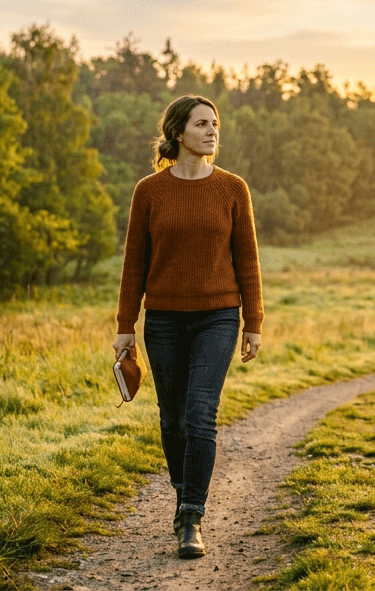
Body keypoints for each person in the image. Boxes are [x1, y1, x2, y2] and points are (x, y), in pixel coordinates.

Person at [112, 94, 263, 559]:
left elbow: (248, 259)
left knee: (200, 413)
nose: (212, 131)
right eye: (202, 124)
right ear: (178, 132)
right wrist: (125, 324)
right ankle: (184, 492)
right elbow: (134, 263)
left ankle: (191, 516)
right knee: (172, 418)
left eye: (215, 124)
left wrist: (253, 321)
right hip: (163, 320)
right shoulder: (149, 191)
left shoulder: (233, 188)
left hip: (218, 316)